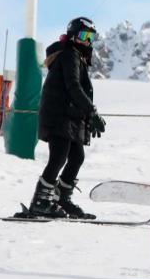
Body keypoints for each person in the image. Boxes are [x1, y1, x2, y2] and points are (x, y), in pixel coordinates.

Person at [24, 16, 106, 219]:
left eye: (91, 37)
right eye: (84, 35)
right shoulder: (69, 54)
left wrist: (87, 115)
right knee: (59, 156)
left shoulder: (77, 56)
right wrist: (92, 112)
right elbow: (73, 87)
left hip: (69, 118)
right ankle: (40, 202)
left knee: (77, 157)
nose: (87, 41)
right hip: (58, 116)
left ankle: (61, 198)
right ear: (73, 35)